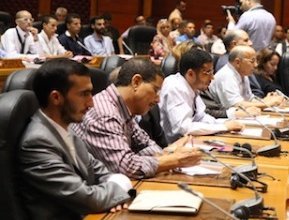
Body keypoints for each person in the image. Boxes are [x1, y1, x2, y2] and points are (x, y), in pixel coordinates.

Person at [18, 58, 130, 218]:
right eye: (84, 94)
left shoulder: (67, 129)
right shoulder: (36, 142)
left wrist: (113, 194)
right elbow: (89, 198)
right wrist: (120, 187)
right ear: (56, 98)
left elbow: (100, 172)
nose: (91, 103)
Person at [71, 58, 203, 178]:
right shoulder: (105, 114)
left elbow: (145, 143)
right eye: (155, 90)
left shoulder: (123, 108)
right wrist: (174, 160)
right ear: (136, 82)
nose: (158, 99)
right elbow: (126, 167)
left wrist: (166, 156)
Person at [159, 48, 243, 143]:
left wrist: (225, 123)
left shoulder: (192, 87)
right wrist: (223, 127)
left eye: (212, 72)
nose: (212, 77)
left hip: (189, 141)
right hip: (171, 146)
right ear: (190, 74)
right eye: (207, 72)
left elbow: (201, 117)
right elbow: (184, 128)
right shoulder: (175, 87)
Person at [209, 45, 283, 108]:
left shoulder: (243, 74)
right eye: (252, 61)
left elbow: (249, 99)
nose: (256, 65)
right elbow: (236, 105)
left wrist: (266, 100)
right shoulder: (227, 76)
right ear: (238, 62)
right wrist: (267, 104)